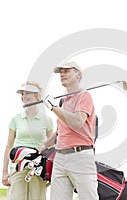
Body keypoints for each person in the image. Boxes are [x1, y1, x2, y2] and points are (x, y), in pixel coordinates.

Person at [41, 61, 99, 200]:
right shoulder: (62, 101)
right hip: (60, 157)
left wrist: (53, 107)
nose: (62, 74)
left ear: (79, 74)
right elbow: (59, 132)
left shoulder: (84, 96)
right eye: (61, 72)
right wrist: (43, 146)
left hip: (80, 155)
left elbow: (77, 122)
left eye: (67, 71)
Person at [2, 81, 54, 200]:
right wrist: (4, 172)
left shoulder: (47, 120)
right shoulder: (16, 119)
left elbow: (52, 146)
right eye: (22, 94)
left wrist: (51, 169)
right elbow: (8, 146)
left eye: (27, 93)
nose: (24, 96)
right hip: (18, 166)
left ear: (37, 96)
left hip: (38, 167)